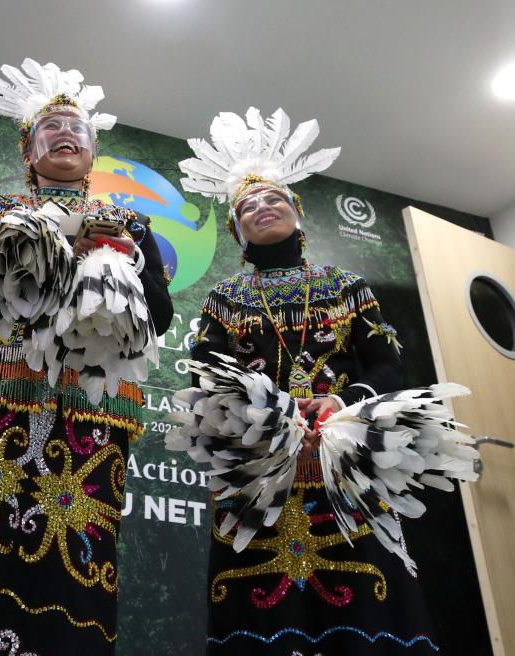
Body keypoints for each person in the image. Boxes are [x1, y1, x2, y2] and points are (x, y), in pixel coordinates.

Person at [0, 59, 173, 656]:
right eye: (51, 128)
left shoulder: (131, 223)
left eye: (78, 128)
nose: (66, 134)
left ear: (94, 151)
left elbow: (161, 319)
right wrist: (18, 251)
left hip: (91, 406)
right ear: (29, 150)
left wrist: (122, 264)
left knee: (76, 552)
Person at [179, 108, 439, 655]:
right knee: (258, 600)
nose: (261, 206)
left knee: (365, 590)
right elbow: (205, 377)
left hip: (348, 458)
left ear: (297, 213)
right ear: (236, 230)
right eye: (246, 206)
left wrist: (342, 404)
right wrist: (266, 420)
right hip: (257, 470)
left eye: (273, 198)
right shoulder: (225, 299)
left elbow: (388, 365)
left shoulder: (346, 285)